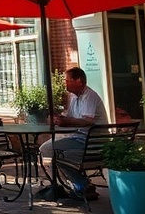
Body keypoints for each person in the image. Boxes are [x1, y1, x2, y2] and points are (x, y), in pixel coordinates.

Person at [40, 67, 108, 201]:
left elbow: (86, 121)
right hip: (79, 138)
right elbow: (70, 117)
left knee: (50, 151)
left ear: (79, 81)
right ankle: (80, 184)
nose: (65, 83)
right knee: (47, 149)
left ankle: (82, 184)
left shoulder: (89, 96)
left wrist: (66, 121)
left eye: (67, 80)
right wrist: (59, 118)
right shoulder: (73, 97)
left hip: (91, 143)